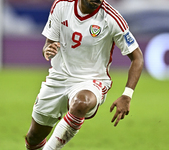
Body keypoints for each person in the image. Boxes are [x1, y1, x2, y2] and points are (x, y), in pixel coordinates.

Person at [25, 0, 144, 149]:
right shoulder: (61, 5)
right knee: (34, 137)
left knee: (82, 102)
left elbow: (137, 58)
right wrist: (47, 50)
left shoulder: (112, 18)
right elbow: (49, 43)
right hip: (58, 77)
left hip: (92, 80)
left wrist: (127, 95)